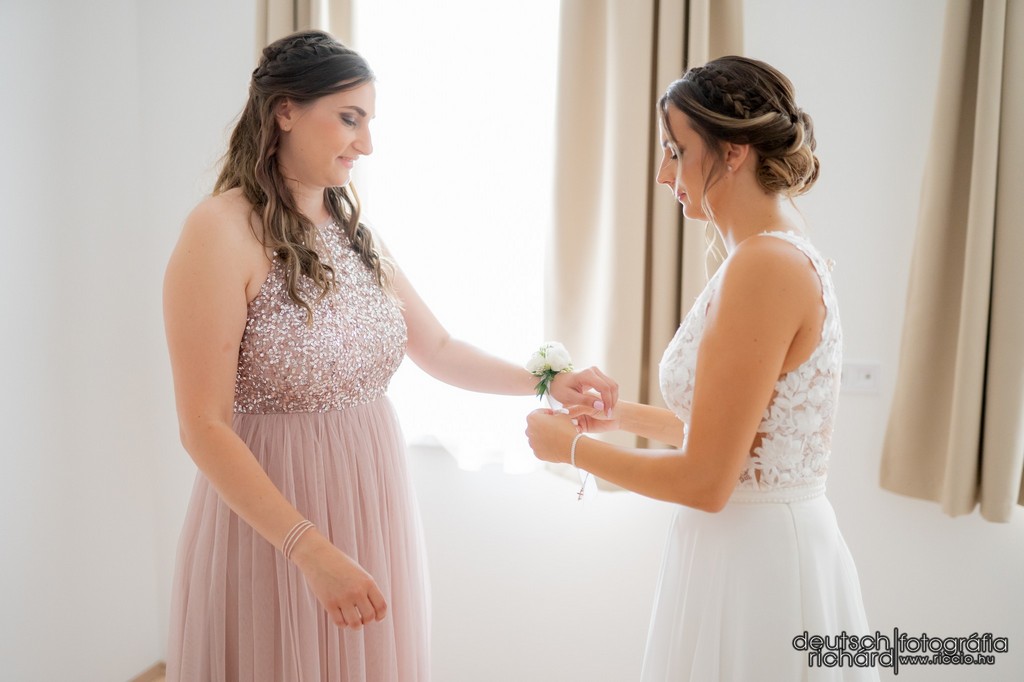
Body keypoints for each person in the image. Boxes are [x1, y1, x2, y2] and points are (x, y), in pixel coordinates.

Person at [162, 29, 616, 682]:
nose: (366, 144)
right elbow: (202, 425)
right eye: (350, 118)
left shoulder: (353, 232)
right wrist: (309, 549)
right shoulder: (219, 230)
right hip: (276, 517)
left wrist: (546, 381)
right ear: (286, 111)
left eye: (369, 122)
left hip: (369, 497)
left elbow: (439, 349)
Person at [526, 56, 878, 681]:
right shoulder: (768, 253)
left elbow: (708, 480)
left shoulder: (764, 265)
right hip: (745, 543)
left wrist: (569, 450)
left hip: (758, 563)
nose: (665, 174)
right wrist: (618, 417)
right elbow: (743, 439)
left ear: (733, 151)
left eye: (676, 151)